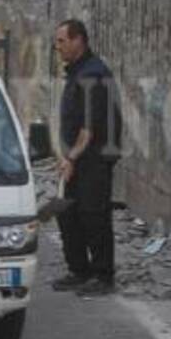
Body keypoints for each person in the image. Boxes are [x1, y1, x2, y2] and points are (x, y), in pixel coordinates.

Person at [52, 19, 123, 291]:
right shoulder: (77, 72)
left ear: (78, 40)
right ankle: (79, 271)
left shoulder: (93, 75)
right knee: (68, 214)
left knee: (94, 215)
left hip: (93, 158)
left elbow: (88, 129)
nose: (57, 47)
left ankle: (103, 276)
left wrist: (71, 159)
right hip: (78, 157)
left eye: (62, 41)